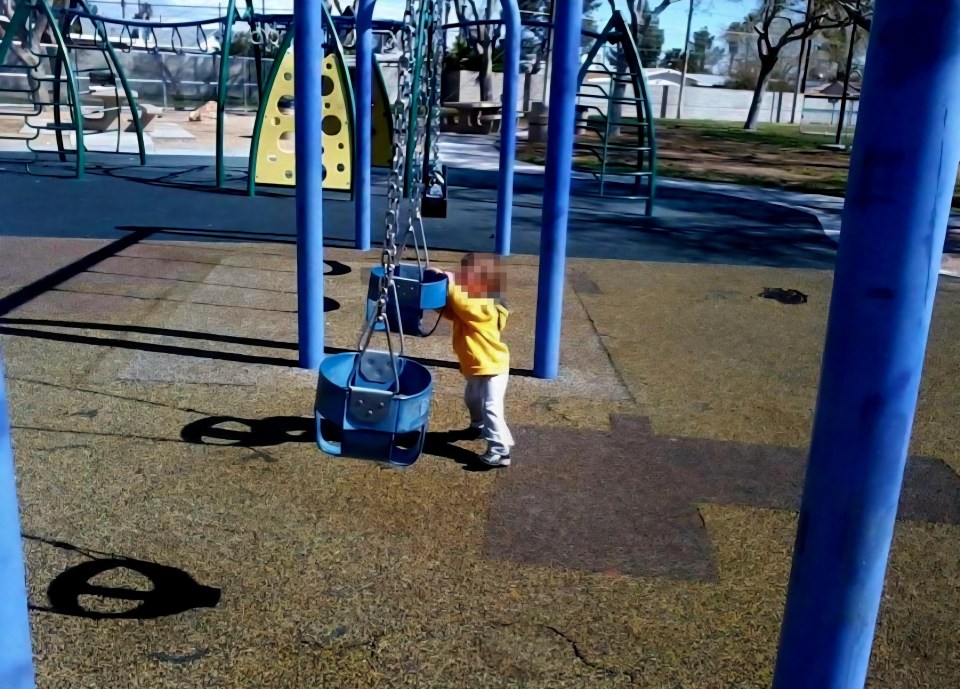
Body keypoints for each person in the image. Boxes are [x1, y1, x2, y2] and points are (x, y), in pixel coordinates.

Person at [430, 254, 514, 467]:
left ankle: (499, 451)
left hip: (493, 365)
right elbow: (454, 310)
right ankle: (478, 426)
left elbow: (465, 305)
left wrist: (448, 280)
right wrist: (435, 299)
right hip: (475, 365)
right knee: (472, 399)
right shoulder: (471, 305)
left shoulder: (487, 308)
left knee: (491, 407)